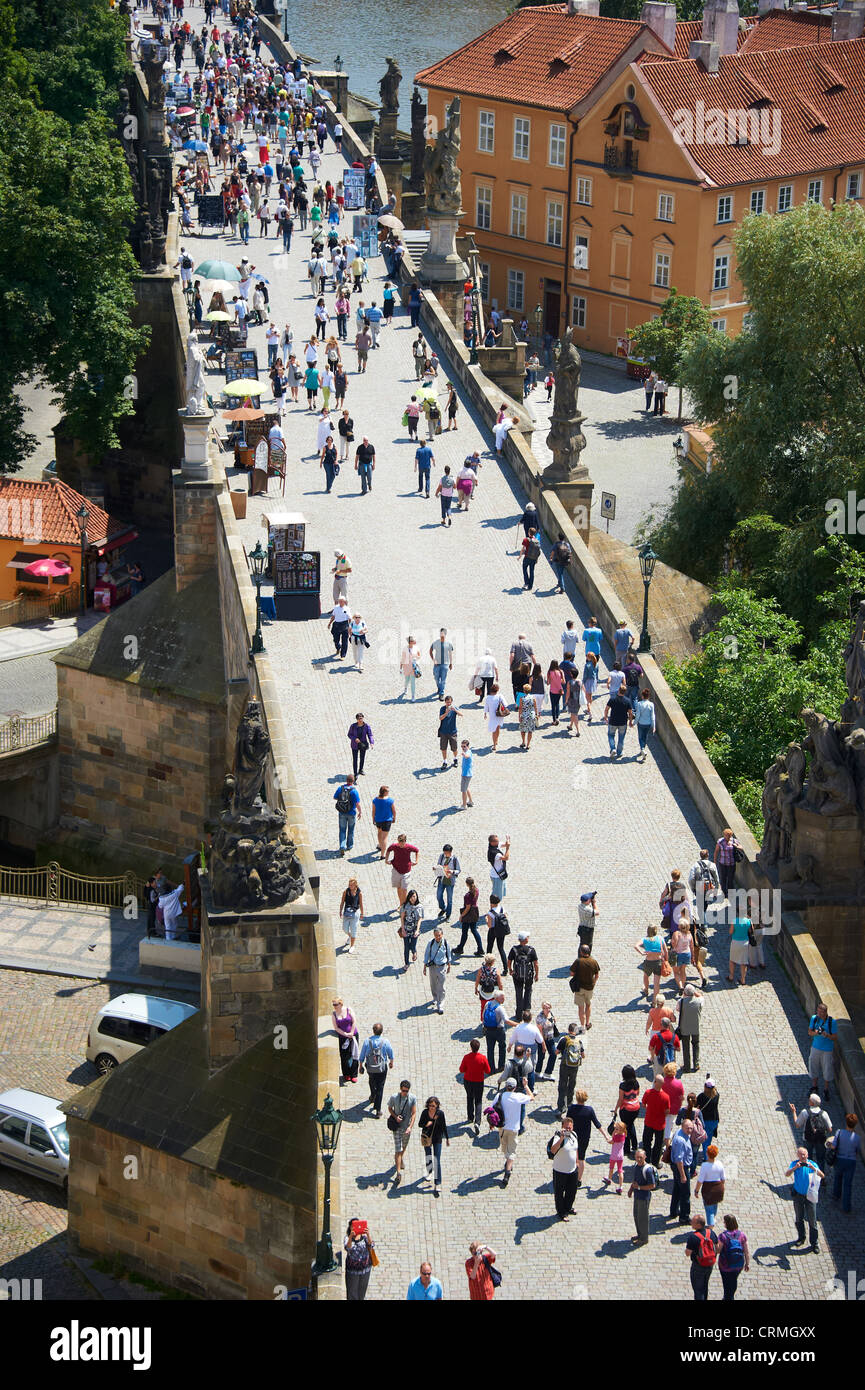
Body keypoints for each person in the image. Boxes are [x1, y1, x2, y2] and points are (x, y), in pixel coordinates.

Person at [785, 1146, 823, 1252]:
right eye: (800, 1154)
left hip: (810, 1195)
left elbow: (822, 1175)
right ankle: (801, 1237)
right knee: (799, 1218)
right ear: (797, 1156)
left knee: (812, 1220)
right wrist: (794, 1168)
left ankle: (814, 1243)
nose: (802, 1156)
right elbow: (787, 1174)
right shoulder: (795, 1164)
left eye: (804, 1154)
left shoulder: (812, 1164)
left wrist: (813, 1169)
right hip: (798, 1195)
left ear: (807, 1155)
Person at [566, 1088, 604, 1187]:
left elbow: (567, 1122)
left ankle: (570, 1174)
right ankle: (578, 1180)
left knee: (572, 1156)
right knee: (581, 1158)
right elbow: (597, 1124)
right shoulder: (589, 1110)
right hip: (584, 1138)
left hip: (572, 1136)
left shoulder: (571, 1108)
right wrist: (606, 1136)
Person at [498, 1077, 532, 1187]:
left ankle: (508, 1164)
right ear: (515, 1087)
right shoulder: (518, 1097)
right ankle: (507, 1173)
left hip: (502, 1127)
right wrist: (526, 1085)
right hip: (513, 1129)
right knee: (511, 1151)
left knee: (505, 1147)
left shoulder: (500, 1096)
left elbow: (491, 1108)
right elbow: (531, 1097)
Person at [358, 1023, 393, 1117]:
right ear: (382, 1031)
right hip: (381, 1068)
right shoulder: (385, 1041)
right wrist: (391, 1062)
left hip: (370, 1067)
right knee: (380, 1087)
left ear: (373, 1031)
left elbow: (362, 1055)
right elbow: (390, 1053)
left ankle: (373, 1095)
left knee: (371, 1080)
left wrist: (360, 1066)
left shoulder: (367, 1041)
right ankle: (378, 1110)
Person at [828, 1113, 860, 1213]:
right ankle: (846, 1207)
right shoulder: (857, 1138)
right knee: (848, 1184)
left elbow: (833, 1146)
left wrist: (829, 1144)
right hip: (851, 1162)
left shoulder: (839, 1132)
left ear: (846, 1123)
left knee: (837, 1178)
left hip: (839, 1160)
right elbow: (857, 1151)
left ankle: (836, 1195)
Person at [549, 1116, 580, 1220]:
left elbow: (576, 1149)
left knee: (572, 1191)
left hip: (572, 1169)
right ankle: (561, 1212)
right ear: (562, 1127)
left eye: (570, 1128)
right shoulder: (558, 1136)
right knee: (559, 1192)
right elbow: (553, 1150)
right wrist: (562, 1138)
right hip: (560, 1170)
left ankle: (568, 1207)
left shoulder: (574, 1135)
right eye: (566, 1128)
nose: (568, 1130)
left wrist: (577, 1161)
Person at [459, 1038, 491, 1135]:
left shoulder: (466, 1057)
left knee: (469, 1098)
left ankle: (470, 1117)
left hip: (468, 1081)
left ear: (471, 1047)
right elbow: (488, 1071)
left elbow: (461, 1070)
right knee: (478, 1101)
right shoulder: (482, 1058)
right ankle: (477, 1122)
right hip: (479, 1082)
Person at [388, 1080, 417, 1187]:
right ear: (400, 1089)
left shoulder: (412, 1098)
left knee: (403, 1147)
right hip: (397, 1127)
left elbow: (414, 1114)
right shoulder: (394, 1097)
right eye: (403, 1090)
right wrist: (396, 1117)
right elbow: (390, 1108)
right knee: (398, 1149)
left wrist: (410, 1127)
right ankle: (398, 1173)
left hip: (406, 1128)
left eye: (406, 1091)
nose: (405, 1092)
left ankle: (400, 1159)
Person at [418, 1096, 449, 1197]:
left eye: (434, 1106)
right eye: (430, 1106)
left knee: (437, 1159)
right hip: (427, 1137)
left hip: (437, 1138)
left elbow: (444, 1126)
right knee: (428, 1155)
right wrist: (427, 1124)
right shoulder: (424, 1112)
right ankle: (429, 1171)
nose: (431, 1108)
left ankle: (438, 1183)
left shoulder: (440, 1113)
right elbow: (420, 1124)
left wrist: (447, 1138)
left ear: (437, 1106)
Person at [807, 1001, 838, 1100]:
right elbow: (809, 1032)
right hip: (815, 1047)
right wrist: (816, 1033)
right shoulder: (814, 1018)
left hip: (827, 1050)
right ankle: (815, 1086)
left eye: (821, 1013)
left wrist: (827, 1035)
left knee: (827, 1068)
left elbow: (835, 1037)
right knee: (813, 1065)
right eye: (818, 1012)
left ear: (825, 1012)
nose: (819, 1014)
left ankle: (826, 1089)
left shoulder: (831, 1022)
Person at [555, 1022, 585, 1118]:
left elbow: (556, 1052)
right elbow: (583, 1056)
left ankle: (561, 1108)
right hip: (574, 1067)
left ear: (568, 1031)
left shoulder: (564, 1040)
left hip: (565, 1066)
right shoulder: (579, 1041)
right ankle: (570, 1105)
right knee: (571, 1085)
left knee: (562, 1086)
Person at [629, 1148, 658, 1245]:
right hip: (637, 1196)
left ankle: (644, 1238)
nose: (639, 1159)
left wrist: (640, 1187)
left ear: (645, 1157)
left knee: (643, 1218)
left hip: (644, 1197)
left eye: (641, 1157)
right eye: (637, 1157)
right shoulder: (636, 1166)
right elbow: (635, 1180)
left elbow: (652, 1185)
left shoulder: (648, 1170)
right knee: (636, 1216)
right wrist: (631, 1189)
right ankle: (640, 1234)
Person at [717, 1214, 750, 1300]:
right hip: (738, 1265)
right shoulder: (742, 1235)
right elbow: (746, 1251)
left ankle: (728, 1297)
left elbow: (718, 1250)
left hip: (725, 1266)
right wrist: (747, 1263)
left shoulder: (723, 1236)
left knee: (727, 1285)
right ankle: (730, 1295)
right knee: (733, 1280)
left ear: (726, 1224)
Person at [685, 1213, 718, 1300]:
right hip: (710, 1265)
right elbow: (717, 1249)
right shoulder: (711, 1232)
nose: (691, 1222)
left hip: (698, 1266)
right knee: (705, 1286)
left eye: (693, 1222)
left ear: (699, 1225)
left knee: (698, 1290)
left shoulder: (693, 1237)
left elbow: (687, 1253)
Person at [507, 931, 539, 1017]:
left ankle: (518, 1014)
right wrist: (536, 974)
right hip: (528, 975)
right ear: (525, 940)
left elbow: (509, 960)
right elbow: (535, 963)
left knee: (518, 992)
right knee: (528, 991)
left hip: (517, 975)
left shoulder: (514, 949)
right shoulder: (531, 950)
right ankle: (526, 1012)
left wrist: (510, 970)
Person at [641, 1074, 670, 1167]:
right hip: (660, 1124)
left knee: (646, 1142)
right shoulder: (666, 1097)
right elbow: (667, 1111)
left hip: (649, 1122)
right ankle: (655, 1162)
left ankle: (646, 1160)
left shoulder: (648, 1092)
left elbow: (643, 1104)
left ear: (655, 1082)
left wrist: (648, 1109)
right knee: (658, 1144)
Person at [695, 1142, 726, 1228]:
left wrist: (696, 1190)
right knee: (715, 1204)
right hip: (718, 1187)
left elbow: (700, 1180)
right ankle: (713, 1219)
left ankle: (710, 1225)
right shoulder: (719, 1164)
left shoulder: (705, 1166)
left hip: (708, 1190)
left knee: (708, 1209)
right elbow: (723, 1178)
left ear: (707, 1154)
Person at [635, 924, 668, 1006]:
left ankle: (646, 989)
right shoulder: (660, 938)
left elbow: (636, 946)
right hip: (658, 962)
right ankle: (654, 1001)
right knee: (656, 983)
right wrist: (666, 960)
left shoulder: (645, 939)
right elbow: (666, 951)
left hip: (649, 962)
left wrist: (642, 953)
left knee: (646, 976)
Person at [569, 944, 600, 1030]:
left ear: (581, 952)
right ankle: (587, 1023)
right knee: (588, 1005)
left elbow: (571, 973)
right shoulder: (594, 962)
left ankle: (582, 1026)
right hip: (589, 988)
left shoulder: (578, 961)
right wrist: (594, 982)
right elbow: (597, 975)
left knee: (581, 1007)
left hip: (579, 988)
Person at [385, 833, 419, 913]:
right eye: (399, 842)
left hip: (406, 871)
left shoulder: (409, 847)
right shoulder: (394, 846)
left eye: (402, 842)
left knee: (404, 889)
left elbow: (417, 851)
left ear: (405, 841)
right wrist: (386, 859)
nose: (401, 844)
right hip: (396, 870)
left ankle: (404, 905)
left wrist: (416, 861)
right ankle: (401, 904)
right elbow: (388, 850)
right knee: (399, 888)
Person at [614, 1064, 642, 1158]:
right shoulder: (636, 1083)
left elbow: (620, 1099)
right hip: (636, 1108)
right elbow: (637, 1093)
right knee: (631, 1125)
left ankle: (626, 1149)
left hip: (626, 1110)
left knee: (624, 1128)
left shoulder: (623, 1086)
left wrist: (615, 1109)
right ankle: (634, 1145)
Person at [423, 926, 453, 1015]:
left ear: (442, 935)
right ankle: (435, 998)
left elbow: (448, 954)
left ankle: (440, 1004)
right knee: (433, 984)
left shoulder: (446, 943)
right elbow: (426, 954)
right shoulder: (431, 943)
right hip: (432, 967)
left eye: (439, 935)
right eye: (436, 935)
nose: (438, 937)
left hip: (442, 967)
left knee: (441, 986)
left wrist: (449, 965)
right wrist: (424, 966)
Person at [344, 1219, 375, 1301]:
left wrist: (368, 1234)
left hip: (365, 1269)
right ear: (350, 1227)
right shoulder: (347, 1238)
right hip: (352, 1271)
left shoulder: (364, 1238)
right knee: (352, 1293)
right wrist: (351, 1236)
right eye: (353, 1226)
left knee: (362, 1292)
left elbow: (371, 1245)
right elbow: (348, 1248)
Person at [482, 990, 511, 1073]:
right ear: (497, 998)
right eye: (502, 998)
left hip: (488, 1030)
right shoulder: (500, 1008)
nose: (504, 999)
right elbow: (506, 1020)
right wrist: (517, 1025)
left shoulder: (488, 1004)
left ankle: (491, 1068)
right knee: (502, 1047)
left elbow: (483, 1015)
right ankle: (501, 1066)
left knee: (490, 1049)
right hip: (499, 1030)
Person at [332, 996, 359, 1083]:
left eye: (336, 1004)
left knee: (354, 1054)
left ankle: (354, 1074)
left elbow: (354, 1021)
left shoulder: (348, 1009)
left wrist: (351, 1032)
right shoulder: (334, 1014)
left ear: (340, 1004)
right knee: (344, 1056)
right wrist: (345, 1034)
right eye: (333, 1004)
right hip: (343, 1038)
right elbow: (336, 1028)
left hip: (353, 1035)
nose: (334, 1006)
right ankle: (346, 1074)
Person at [604, 685, 634, 759]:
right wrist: (630, 721)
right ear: (625, 692)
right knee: (621, 738)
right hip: (623, 722)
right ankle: (619, 752)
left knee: (610, 735)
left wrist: (605, 717)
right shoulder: (627, 701)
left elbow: (607, 709)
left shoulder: (612, 699)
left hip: (613, 721)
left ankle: (613, 748)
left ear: (618, 690)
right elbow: (630, 713)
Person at [678, 985, 703, 1073]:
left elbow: (677, 1009)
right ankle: (696, 1064)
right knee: (696, 1045)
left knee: (686, 1047)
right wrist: (694, 992)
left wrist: (684, 996)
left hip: (685, 1028)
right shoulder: (699, 1001)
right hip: (695, 1027)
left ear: (684, 993)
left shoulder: (681, 1002)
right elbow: (700, 996)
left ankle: (687, 1066)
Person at [333, 773, 360, 854]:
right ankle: (349, 845)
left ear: (346, 780)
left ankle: (342, 845)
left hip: (342, 812)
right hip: (351, 813)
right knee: (351, 829)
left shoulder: (340, 788)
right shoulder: (354, 791)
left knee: (342, 829)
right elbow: (357, 803)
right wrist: (360, 812)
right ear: (353, 781)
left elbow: (334, 797)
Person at [696, 1076, 721, 1157]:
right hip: (714, 1120)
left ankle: (706, 1157)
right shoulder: (716, 1095)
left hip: (705, 1120)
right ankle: (707, 1153)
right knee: (709, 1137)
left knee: (705, 1140)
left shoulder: (701, 1096)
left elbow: (696, 1107)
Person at [714, 826, 742, 897]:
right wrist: (714, 861)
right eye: (726, 835)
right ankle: (724, 892)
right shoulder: (720, 841)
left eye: (729, 835)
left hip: (731, 863)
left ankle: (730, 893)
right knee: (723, 878)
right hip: (722, 863)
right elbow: (716, 851)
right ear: (724, 835)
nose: (728, 837)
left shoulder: (734, 841)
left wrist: (736, 846)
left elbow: (741, 847)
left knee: (730, 879)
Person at [339, 876, 364, 955]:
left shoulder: (359, 893)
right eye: (349, 885)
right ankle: (350, 937)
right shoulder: (346, 892)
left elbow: (360, 903)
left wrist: (362, 913)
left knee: (354, 929)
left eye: (352, 885)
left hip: (355, 912)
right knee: (345, 928)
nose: (350, 886)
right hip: (347, 912)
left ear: (355, 885)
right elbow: (342, 901)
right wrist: (340, 910)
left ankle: (352, 945)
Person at [601, 1120, 628, 1194]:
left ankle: (609, 1179)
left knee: (611, 1168)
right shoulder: (623, 1135)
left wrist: (607, 1138)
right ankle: (620, 1187)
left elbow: (611, 1141)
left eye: (616, 1129)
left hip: (614, 1156)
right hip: (620, 1156)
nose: (615, 1130)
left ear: (621, 1129)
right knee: (620, 1170)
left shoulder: (616, 1136)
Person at [398, 888, 422, 970]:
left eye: (414, 896)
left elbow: (420, 919)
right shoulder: (405, 906)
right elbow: (402, 917)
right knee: (406, 947)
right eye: (412, 896)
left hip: (414, 929)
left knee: (413, 945)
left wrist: (417, 930)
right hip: (406, 928)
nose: (413, 898)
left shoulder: (419, 907)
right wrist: (403, 929)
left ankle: (414, 952)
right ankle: (406, 963)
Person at [485, 893, 510, 970]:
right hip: (501, 931)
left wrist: (486, 919)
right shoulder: (502, 909)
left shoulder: (490, 913)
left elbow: (489, 925)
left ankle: (488, 965)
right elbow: (506, 917)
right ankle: (505, 968)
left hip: (493, 931)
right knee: (501, 949)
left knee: (489, 948)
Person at [371, 784, 395, 860]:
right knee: (385, 837)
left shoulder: (375, 800)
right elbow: (394, 811)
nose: (388, 792)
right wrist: (394, 818)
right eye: (387, 791)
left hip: (378, 820)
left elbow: (373, 811)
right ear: (384, 792)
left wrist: (373, 819)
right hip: (387, 821)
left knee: (379, 832)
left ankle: (380, 845)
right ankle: (382, 854)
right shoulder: (390, 801)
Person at [727, 912, 751, 986]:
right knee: (743, 962)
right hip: (745, 942)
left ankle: (731, 976)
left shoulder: (735, 921)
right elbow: (749, 931)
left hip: (736, 942)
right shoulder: (748, 921)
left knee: (732, 960)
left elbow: (730, 932)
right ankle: (743, 980)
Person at [437, 697, 461, 770]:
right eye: (447, 702)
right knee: (443, 748)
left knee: (454, 747)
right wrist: (446, 712)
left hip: (452, 732)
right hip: (443, 732)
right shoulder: (442, 709)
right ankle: (445, 762)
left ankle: (455, 759)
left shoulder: (454, 708)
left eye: (450, 702)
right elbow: (440, 718)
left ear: (452, 702)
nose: (448, 704)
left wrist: (455, 710)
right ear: (445, 702)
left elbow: (461, 714)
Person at [430, 629, 453, 701]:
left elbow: (450, 654)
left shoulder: (449, 644)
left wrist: (451, 663)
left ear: (445, 634)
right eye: (440, 633)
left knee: (443, 680)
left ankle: (441, 694)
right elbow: (430, 651)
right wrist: (433, 660)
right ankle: (439, 688)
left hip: (445, 664)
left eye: (443, 633)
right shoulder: (435, 643)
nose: (441, 635)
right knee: (436, 678)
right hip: (437, 664)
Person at [347, 713, 373, 777]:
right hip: (354, 745)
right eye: (359, 719)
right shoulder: (353, 726)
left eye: (361, 718)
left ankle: (361, 770)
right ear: (357, 719)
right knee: (355, 759)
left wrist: (371, 742)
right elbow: (349, 734)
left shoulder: (366, 726)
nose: (360, 720)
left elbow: (370, 735)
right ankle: (355, 773)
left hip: (363, 744)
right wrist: (354, 738)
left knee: (362, 758)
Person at [484, 683, 508, 751]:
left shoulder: (488, 698)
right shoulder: (500, 696)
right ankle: (496, 741)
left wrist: (485, 714)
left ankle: (494, 744)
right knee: (497, 728)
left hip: (492, 716)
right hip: (500, 714)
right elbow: (505, 704)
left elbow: (486, 707)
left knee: (494, 730)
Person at [634, 688, 656, 761]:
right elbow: (652, 716)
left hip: (641, 723)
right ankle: (643, 748)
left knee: (640, 737)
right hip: (648, 723)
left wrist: (634, 723)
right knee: (645, 736)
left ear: (642, 696)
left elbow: (638, 715)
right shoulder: (651, 704)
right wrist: (654, 726)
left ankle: (642, 749)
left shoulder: (639, 704)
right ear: (648, 696)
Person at [488, 833, 509, 899]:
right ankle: (494, 907)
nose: (498, 842)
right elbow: (506, 857)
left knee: (499, 891)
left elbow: (504, 844)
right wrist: (508, 848)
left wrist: (508, 839)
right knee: (496, 896)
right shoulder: (494, 853)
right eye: (496, 841)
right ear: (492, 842)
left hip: (499, 874)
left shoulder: (495, 845)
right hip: (497, 876)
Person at [400, 635, 421, 701]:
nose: (415, 641)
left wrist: (416, 657)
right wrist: (400, 668)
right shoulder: (405, 648)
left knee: (413, 682)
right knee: (407, 680)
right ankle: (405, 688)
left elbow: (419, 656)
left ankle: (413, 696)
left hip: (413, 666)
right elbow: (402, 658)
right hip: (406, 666)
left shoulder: (416, 648)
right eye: (413, 640)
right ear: (410, 642)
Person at [546, 660, 565, 725]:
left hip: (552, 690)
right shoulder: (561, 671)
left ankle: (554, 720)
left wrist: (551, 680)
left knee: (553, 705)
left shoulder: (549, 672)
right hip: (559, 690)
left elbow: (548, 683)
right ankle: (557, 717)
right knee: (557, 704)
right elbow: (563, 682)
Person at [460, 739, 474, 810]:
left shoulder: (468, 752)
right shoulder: (467, 751)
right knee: (466, 788)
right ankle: (470, 801)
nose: (463, 748)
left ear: (468, 746)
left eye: (464, 746)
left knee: (463, 790)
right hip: (466, 774)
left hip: (466, 774)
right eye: (462, 746)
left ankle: (464, 805)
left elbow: (467, 756)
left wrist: (464, 755)